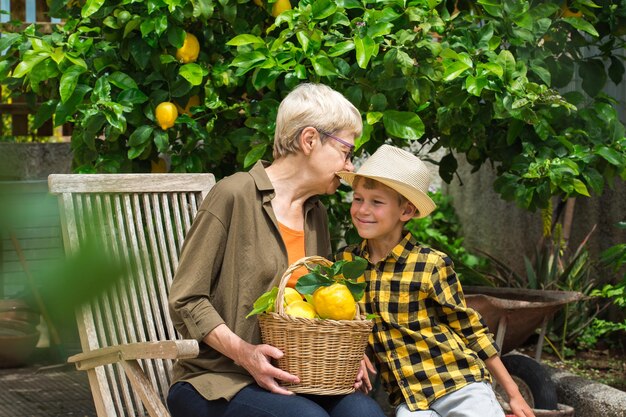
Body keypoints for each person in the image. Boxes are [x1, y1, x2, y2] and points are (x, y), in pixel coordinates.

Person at [167, 83, 385, 417]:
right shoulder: (234, 194)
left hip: (296, 379)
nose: (350, 167)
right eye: (346, 151)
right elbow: (186, 299)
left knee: (364, 413)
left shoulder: (316, 214)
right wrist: (246, 353)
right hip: (218, 381)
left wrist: (343, 357)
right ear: (309, 140)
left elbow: (317, 303)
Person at [335, 144, 536, 417]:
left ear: (406, 211)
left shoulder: (430, 264)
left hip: (459, 384)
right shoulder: (347, 264)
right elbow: (343, 322)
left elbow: (470, 329)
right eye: (358, 199)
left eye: (376, 202)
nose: (362, 210)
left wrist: (513, 394)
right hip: (410, 400)